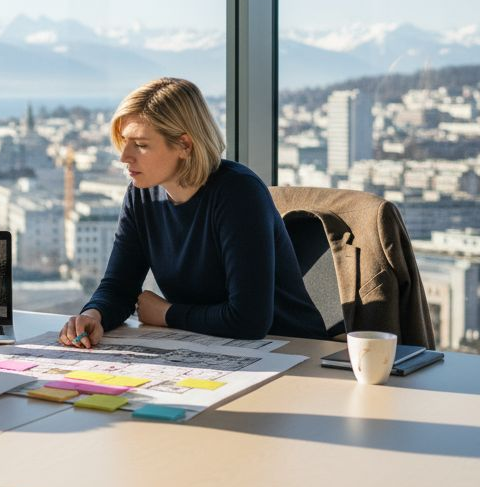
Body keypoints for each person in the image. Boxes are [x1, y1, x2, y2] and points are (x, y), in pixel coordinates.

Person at [59, 78, 327, 348]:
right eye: (124, 142)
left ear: (184, 145)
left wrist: (167, 313)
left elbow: (249, 320)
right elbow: (119, 287)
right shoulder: (141, 195)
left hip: (291, 349)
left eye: (140, 145)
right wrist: (94, 314)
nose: (124, 156)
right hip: (211, 346)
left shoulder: (238, 193)